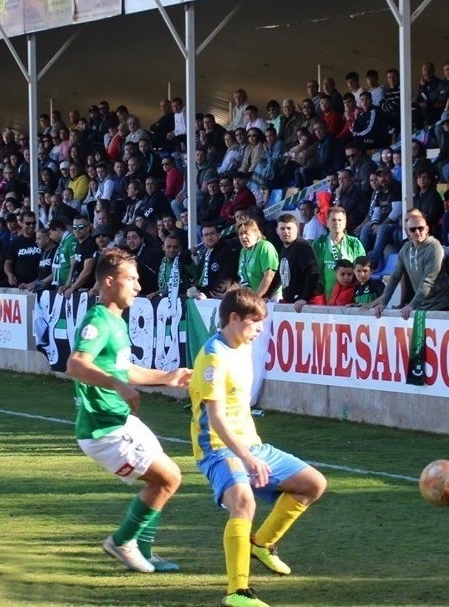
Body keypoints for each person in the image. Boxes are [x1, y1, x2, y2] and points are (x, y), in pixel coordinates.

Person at [189, 287, 328, 607]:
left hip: (249, 444)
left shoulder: (241, 346)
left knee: (313, 484)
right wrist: (247, 458)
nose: (260, 330)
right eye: (255, 323)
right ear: (234, 319)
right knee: (243, 502)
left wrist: (251, 451)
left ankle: (262, 544)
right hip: (217, 449)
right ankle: (237, 592)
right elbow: (217, 419)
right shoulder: (213, 356)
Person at [66, 249, 191, 574]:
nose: (138, 286)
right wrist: (116, 385)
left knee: (165, 479)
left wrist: (168, 377)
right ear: (109, 281)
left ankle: (143, 551)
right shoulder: (99, 320)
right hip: (103, 429)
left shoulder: (116, 322)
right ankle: (122, 542)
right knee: (168, 479)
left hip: (120, 420)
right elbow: (76, 363)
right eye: (131, 279)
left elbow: (125, 370)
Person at [365, 209, 449, 319]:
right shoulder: (406, 248)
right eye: (413, 229)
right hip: (421, 307)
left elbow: (428, 281)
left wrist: (412, 305)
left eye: (420, 228)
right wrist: (383, 303)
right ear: (407, 232)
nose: (417, 232)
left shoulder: (434, 247)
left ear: (427, 229)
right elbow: (395, 276)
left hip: (441, 307)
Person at [313, 206, 367, 299]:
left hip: (349, 300)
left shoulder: (354, 244)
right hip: (325, 299)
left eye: (340, 220)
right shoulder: (319, 244)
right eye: (333, 220)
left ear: (345, 222)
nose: (337, 223)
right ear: (327, 222)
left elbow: (363, 270)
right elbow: (312, 271)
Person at [274, 213, 321, 311]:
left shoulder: (302, 246)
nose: (286, 231)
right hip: (293, 302)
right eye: (282, 228)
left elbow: (313, 272)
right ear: (277, 231)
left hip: (306, 303)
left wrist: (304, 298)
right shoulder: (283, 248)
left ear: (296, 229)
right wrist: (268, 295)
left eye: (289, 228)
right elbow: (280, 274)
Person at [193, 222, 240, 299]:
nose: (209, 237)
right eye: (206, 235)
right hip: (206, 295)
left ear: (218, 235)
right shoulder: (204, 255)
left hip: (220, 299)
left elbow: (225, 280)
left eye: (212, 233)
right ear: (202, 239)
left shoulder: (226, 251)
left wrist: (208, 295)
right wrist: (196, 290)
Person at [236, 219, 280, 300]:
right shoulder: (243, 251)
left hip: (270, 297)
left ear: (256, 233)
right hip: (253, 298)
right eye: (240, 234)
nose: (243, 237)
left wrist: (257, 297)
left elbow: (269, 275)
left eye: (246, 233)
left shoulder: (264, 246)